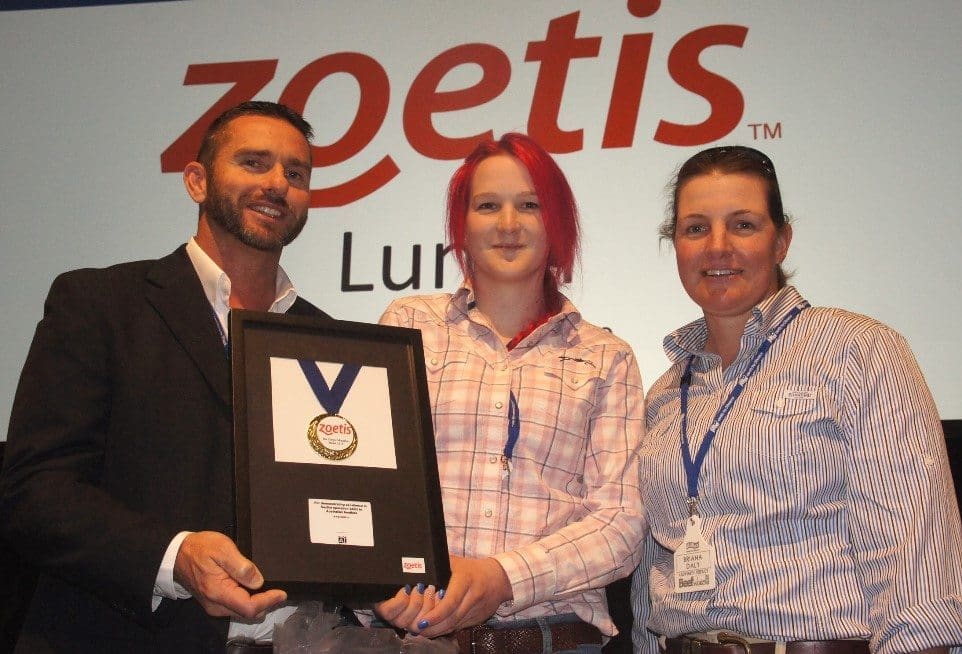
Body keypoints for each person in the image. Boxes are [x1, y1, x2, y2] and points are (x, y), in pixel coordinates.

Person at [0, 101, 330, 652]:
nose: (277, 183)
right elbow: (32, 492)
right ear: (197, 181)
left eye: (295, 174)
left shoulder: (327, 341)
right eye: (253, 163)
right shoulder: (99, 304)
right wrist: (175, 557)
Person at [630, 145, 962, 654]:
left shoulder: (859, 349)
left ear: (781, 240)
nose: (717, 247)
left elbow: (915, 546)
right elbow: (654, 573)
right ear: (674, 244)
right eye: (695, 228)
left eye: (743, 225)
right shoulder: (665, 393)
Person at [376, 133, 646, 654]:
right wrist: (376, 583)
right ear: (461, 225)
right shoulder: (408, 325)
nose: (507, 224)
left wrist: (503, 577)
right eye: (487, 206)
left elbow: (622, 523)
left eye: (529, 205)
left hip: (554, 640)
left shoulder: (605, 356)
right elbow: (364, 482)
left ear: (558, 225)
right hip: (408, 637)